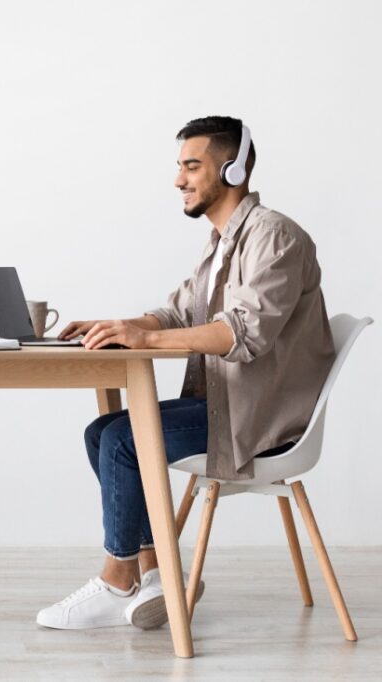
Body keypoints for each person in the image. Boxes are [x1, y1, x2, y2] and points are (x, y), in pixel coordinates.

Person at [36, 116, 336, 630]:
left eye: (192, 166)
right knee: (102, 432)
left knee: (125, 441)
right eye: (179, 167)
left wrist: (147, 340)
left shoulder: (276, 238)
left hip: (258, 416)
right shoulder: (222, 243)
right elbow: (179, 312)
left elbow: (243, 333)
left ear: (234, 168)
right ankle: (155, 571)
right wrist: (121, 325)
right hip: (226, 402)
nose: (179, 180)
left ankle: (117, 579)